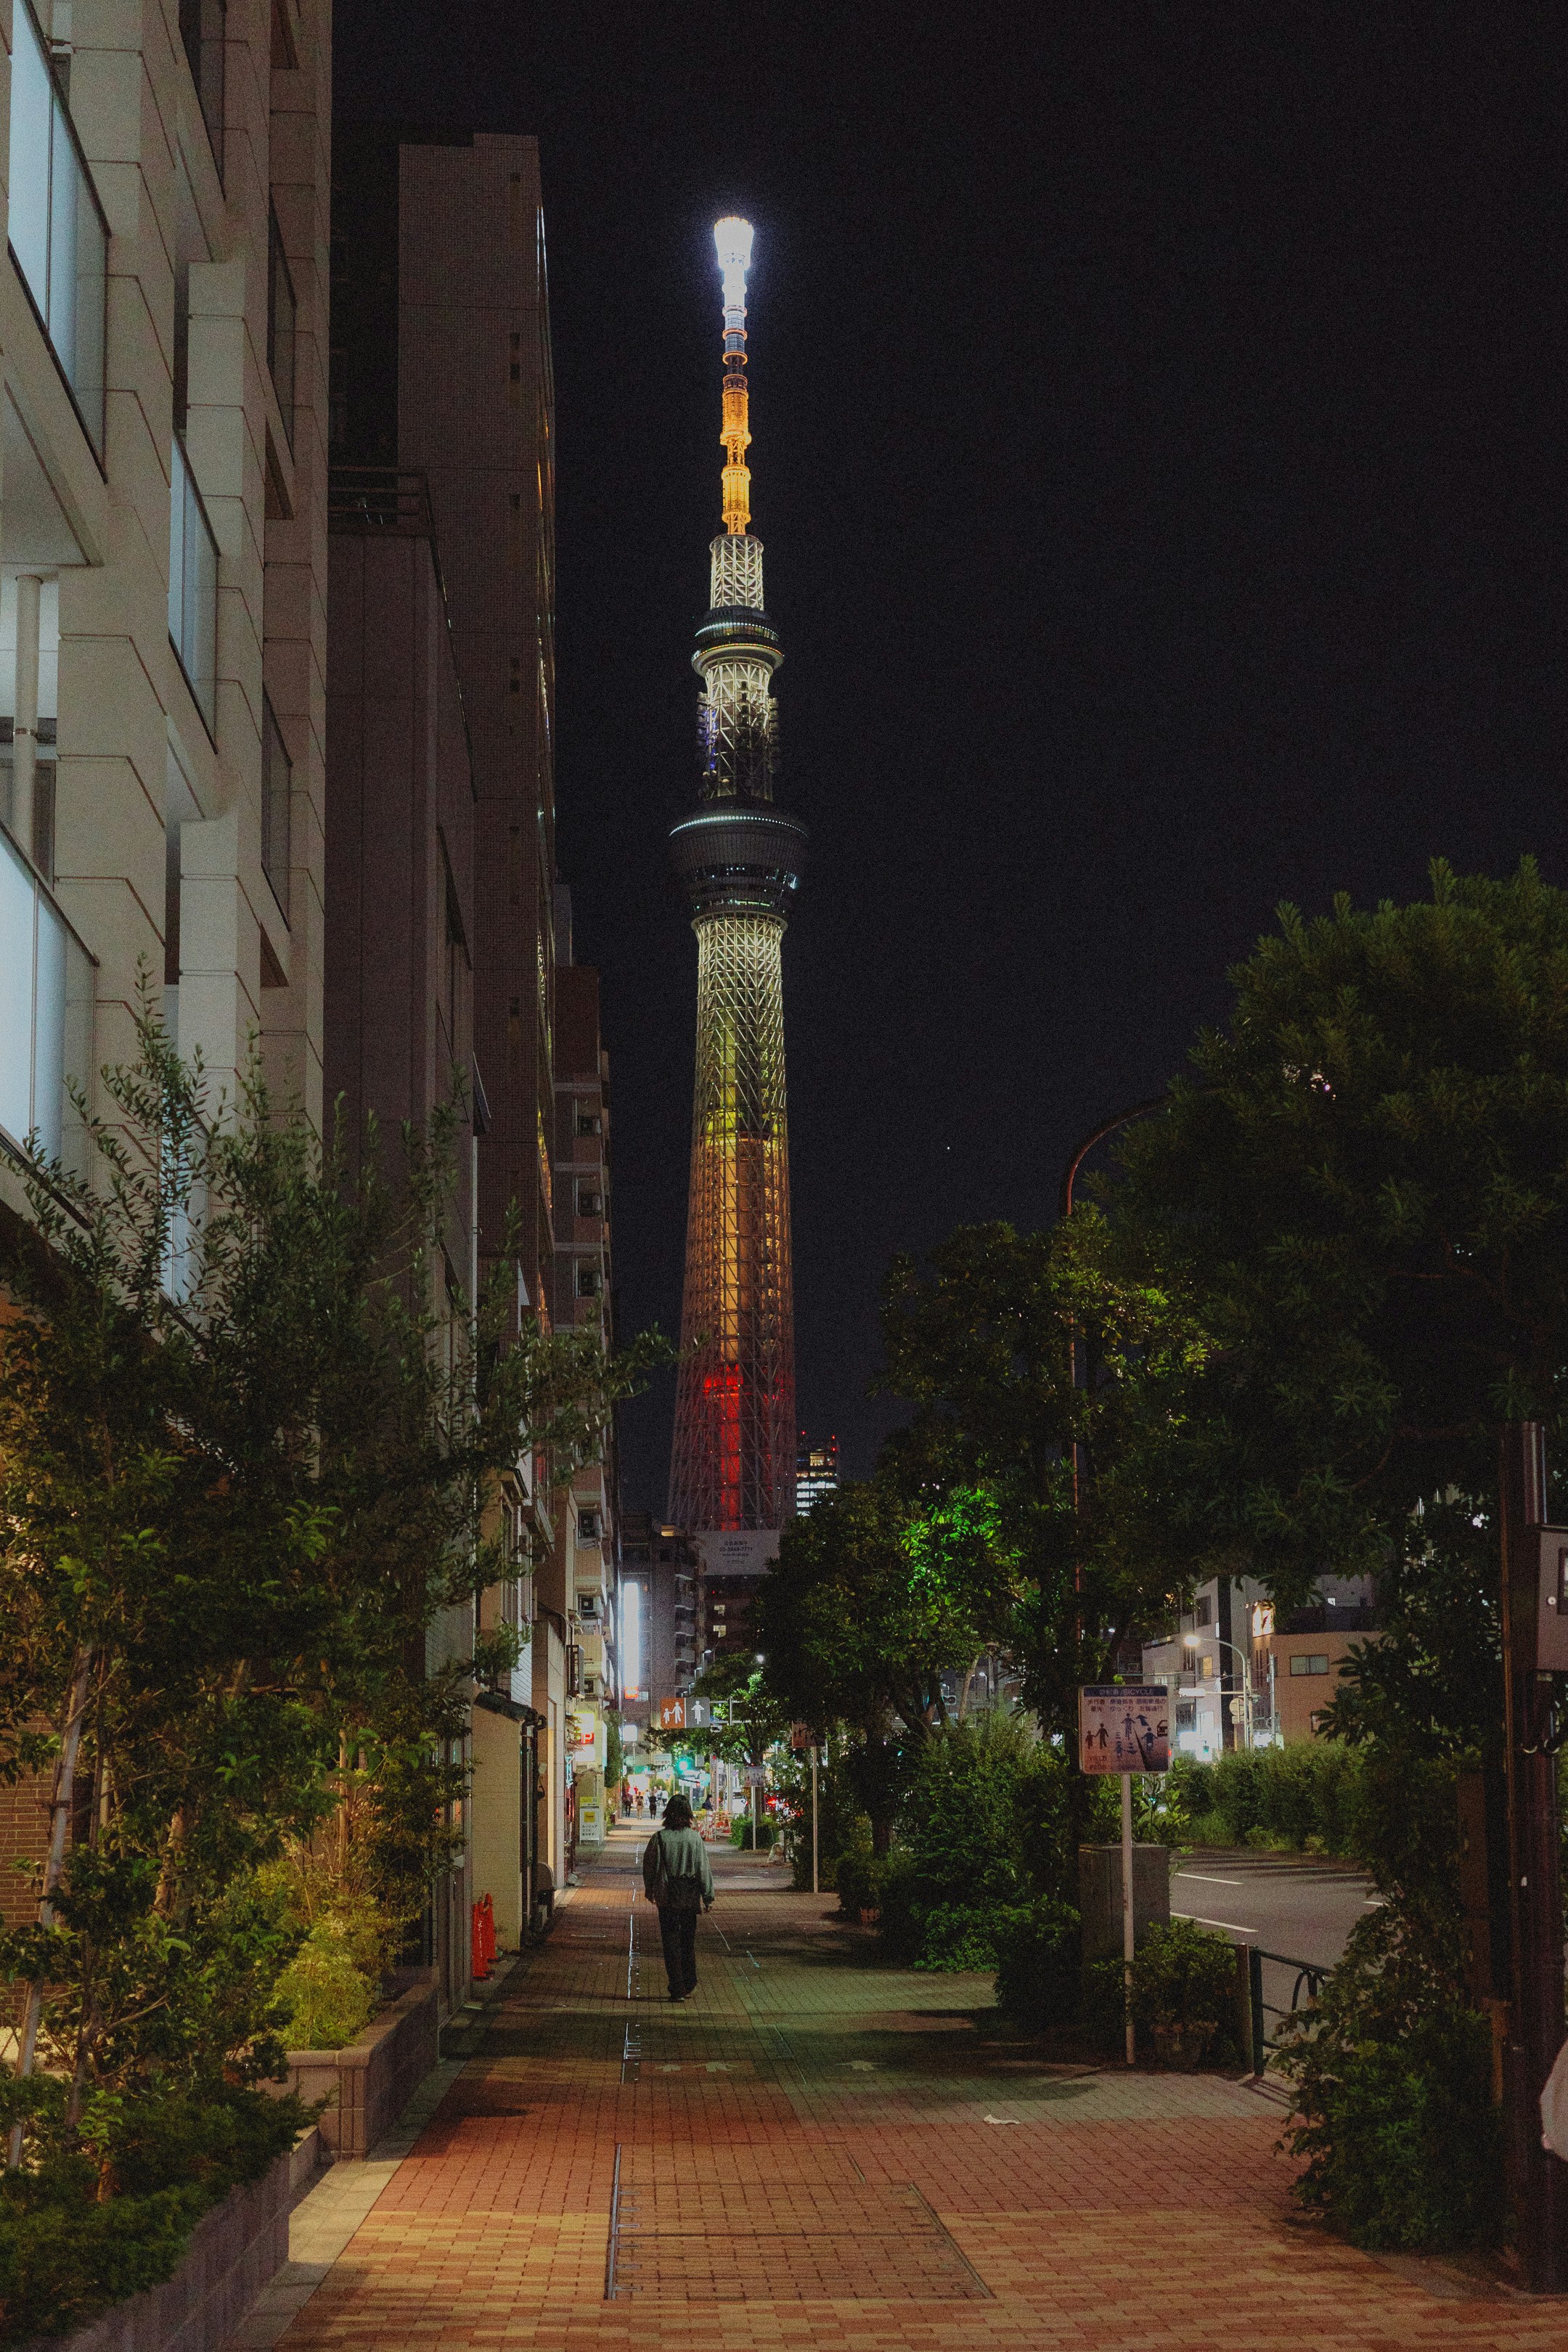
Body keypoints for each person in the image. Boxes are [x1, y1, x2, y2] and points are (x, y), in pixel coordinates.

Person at [642, 1794, 715, 2001]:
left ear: (667, 1814)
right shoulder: (694, 1839)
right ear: (688, 1814)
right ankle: (689, 1982)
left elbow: (649, 1867)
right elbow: (703, 1869)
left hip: (667, 1895)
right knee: (688, 1942)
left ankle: (677, 1988)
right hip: (689, 1894)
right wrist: (708, 1897)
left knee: (670, 1942)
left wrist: (650, 1890)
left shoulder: (659, 1838)